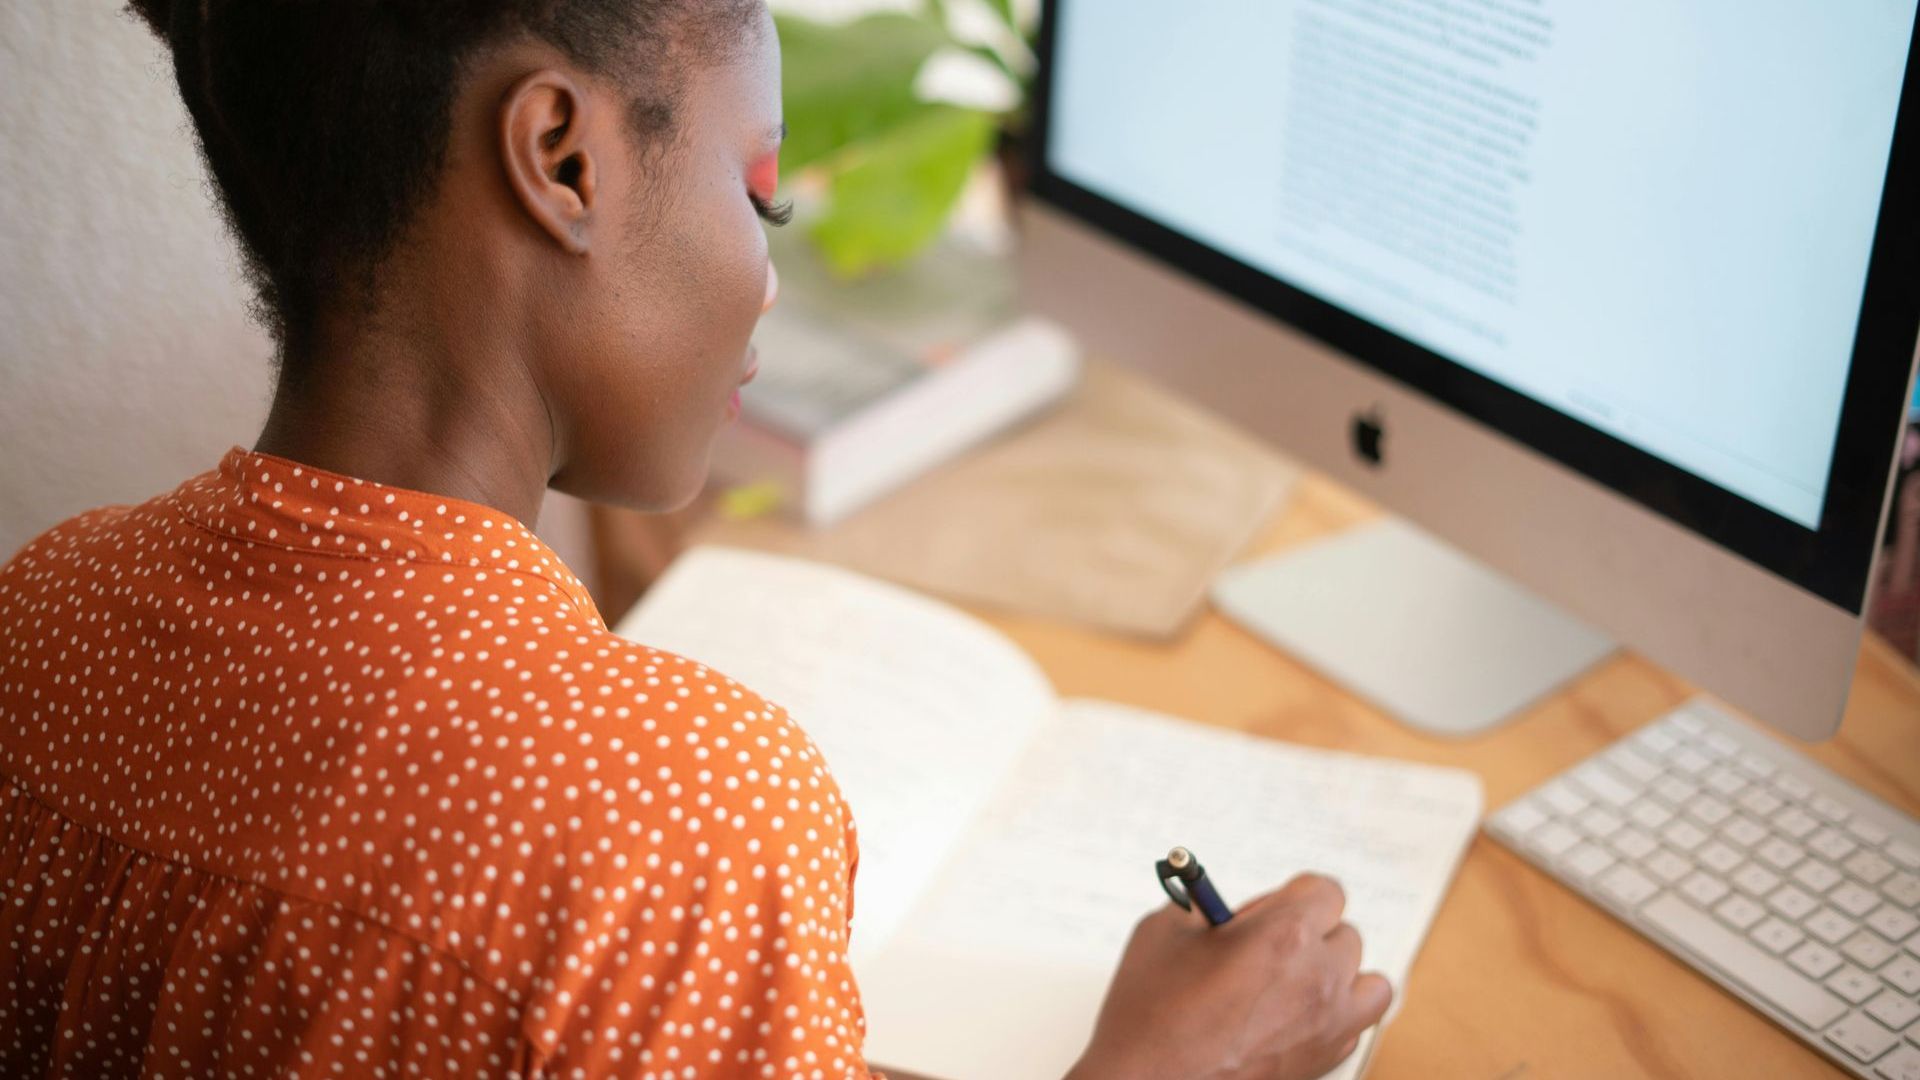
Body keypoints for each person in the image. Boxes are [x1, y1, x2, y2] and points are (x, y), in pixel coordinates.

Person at [0, 2, 1392, 1077]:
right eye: (759, 190)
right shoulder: (679, 824)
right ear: (563, 158)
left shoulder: (42, 615)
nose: (769, 274)